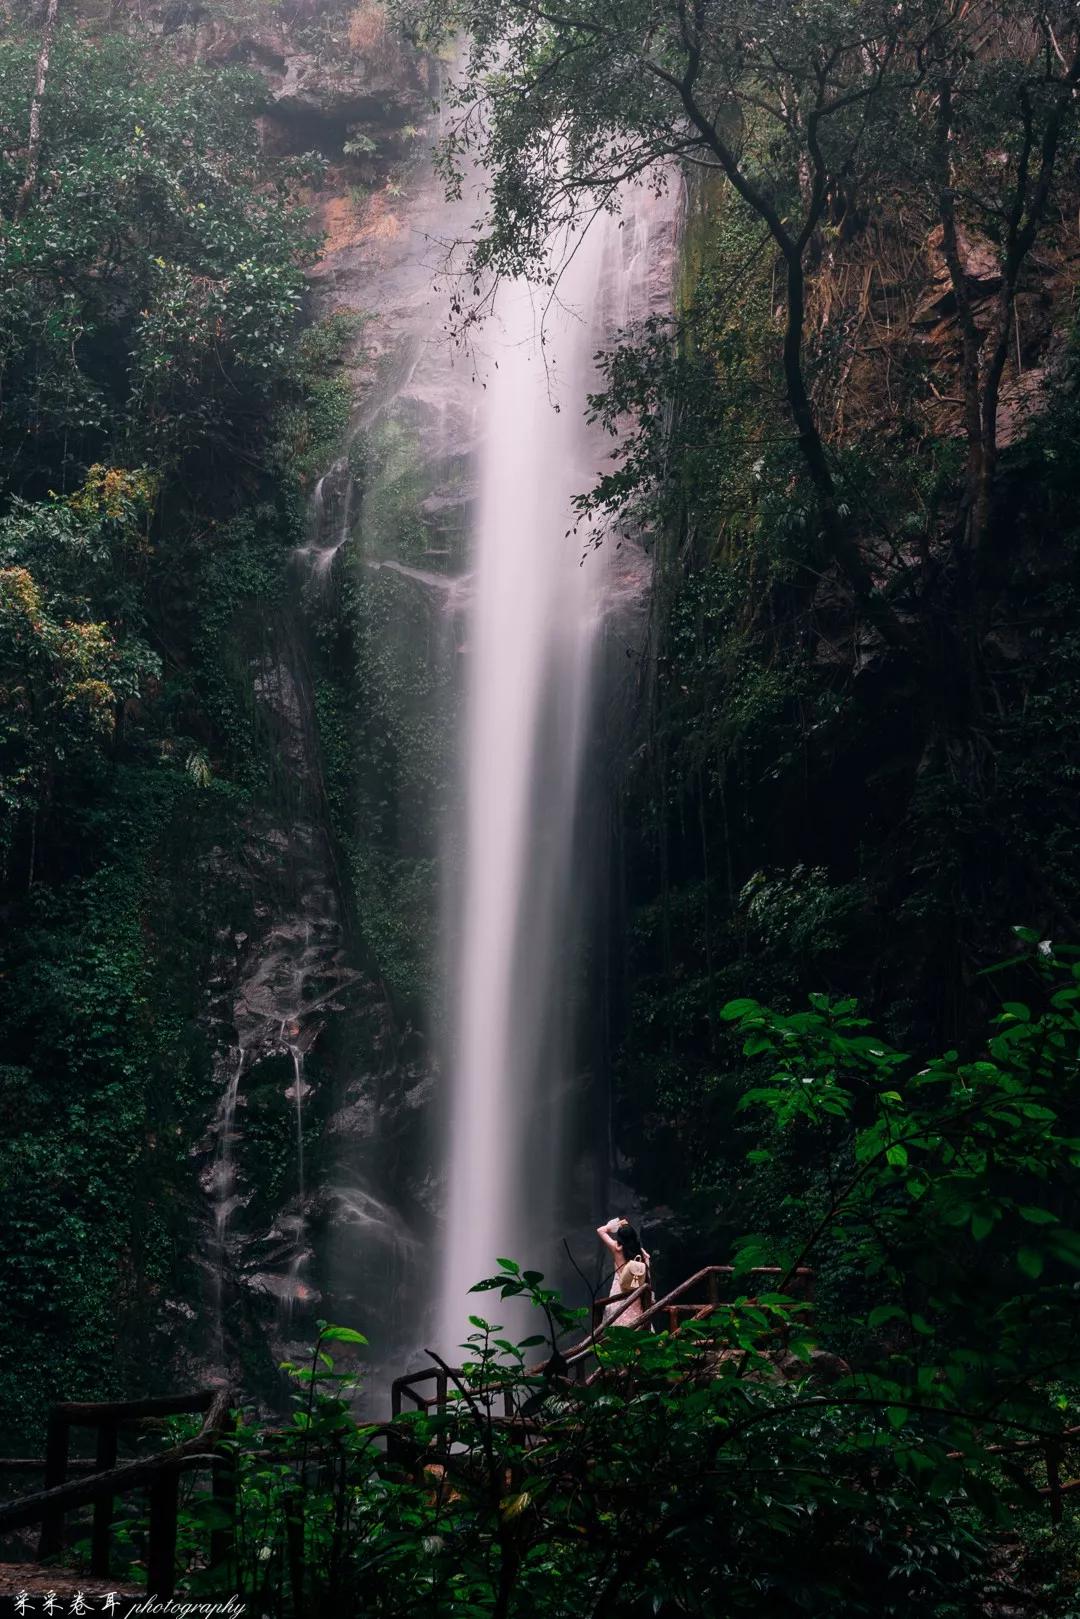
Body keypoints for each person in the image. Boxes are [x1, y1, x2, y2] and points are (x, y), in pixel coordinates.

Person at [597, 1216, 651, 1326]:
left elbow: (600, 1230)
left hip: (620, 1289)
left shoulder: (616, 1249)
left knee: (617, 1317)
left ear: (619, 1238)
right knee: (636, 1317)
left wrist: (617, 1225)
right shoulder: (641, 1253)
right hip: (636, 1290)